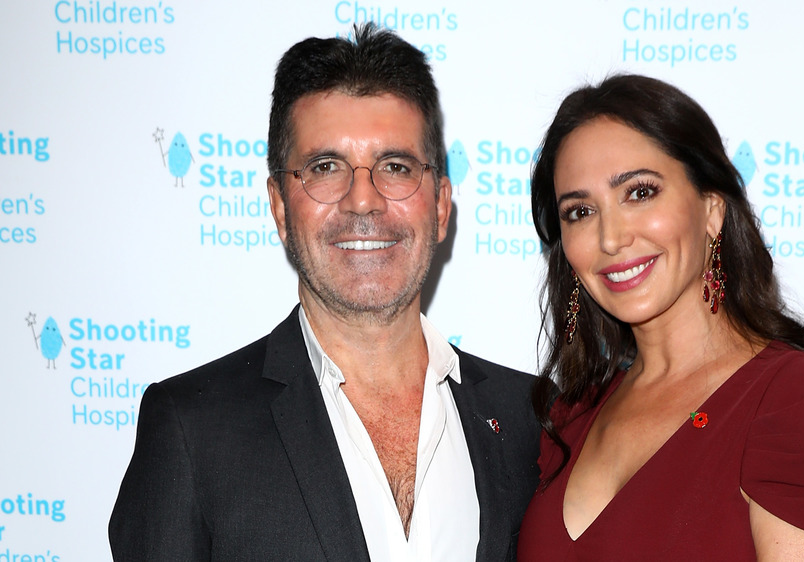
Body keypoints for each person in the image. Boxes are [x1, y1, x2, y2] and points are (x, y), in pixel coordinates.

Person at [109, 24, 539, 561]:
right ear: (280, 207)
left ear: (442, 205)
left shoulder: (532, 418)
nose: (363, 200)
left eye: (396, 166)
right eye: (326, 167)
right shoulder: (191, 431)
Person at [516, 74, 804, 560]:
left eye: (639, 192)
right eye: (581, 212)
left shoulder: (796, 406)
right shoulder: (569, 418)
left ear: (712, 209)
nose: (610, 238)